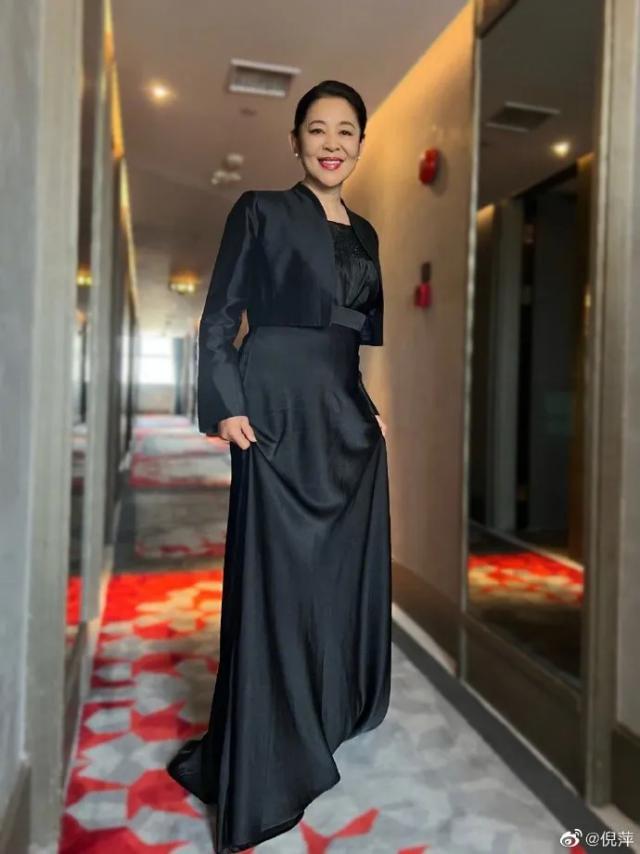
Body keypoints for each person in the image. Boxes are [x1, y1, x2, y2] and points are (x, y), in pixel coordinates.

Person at [166, 79, 391, 854]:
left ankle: (321, 714)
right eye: (318, 130)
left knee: (331, 576)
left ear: (360, 145)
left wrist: (367, 408)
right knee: (276, 578)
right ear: (296, 141)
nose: (333, 144)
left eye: (347, 132)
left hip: (341, 417)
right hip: (273, 412)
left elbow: (351, 340)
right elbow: (221, 316)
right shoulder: (259, 209)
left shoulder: (367, 233)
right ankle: (266, 760)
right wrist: (225, 402)